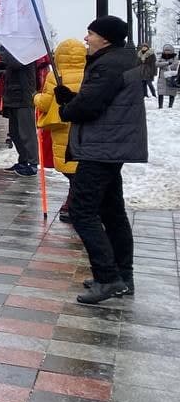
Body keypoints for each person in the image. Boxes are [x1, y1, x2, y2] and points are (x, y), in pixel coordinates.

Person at [54, 16, 146, 304]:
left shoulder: (108, 64)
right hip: (110, 145)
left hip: (102, 148)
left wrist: (67, 106)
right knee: (112, 211)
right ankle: (122, 275)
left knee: (82, 212)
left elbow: (90, 105)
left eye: (90, 34)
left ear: (105, 38)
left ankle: (108, 278)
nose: (86, 38)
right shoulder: (121, 59)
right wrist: (72, 97)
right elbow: (101, 98)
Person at [35, 39, 87, 223]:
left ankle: (73, 204)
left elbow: (46, 102)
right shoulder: (89, 73)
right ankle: (75, 201)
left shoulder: (56, 76)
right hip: (84, 128)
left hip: (62, 125)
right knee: (80, 167)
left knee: (70, 167)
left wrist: (37, 98)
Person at [0, 46, 39, 177]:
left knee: (27, 133)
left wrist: (4, 51)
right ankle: (23, 160)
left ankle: (33, 164)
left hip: (24, 98)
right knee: (15, 132)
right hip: (13, 97)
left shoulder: (26, 51)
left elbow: (15, 63)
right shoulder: (15, 50)